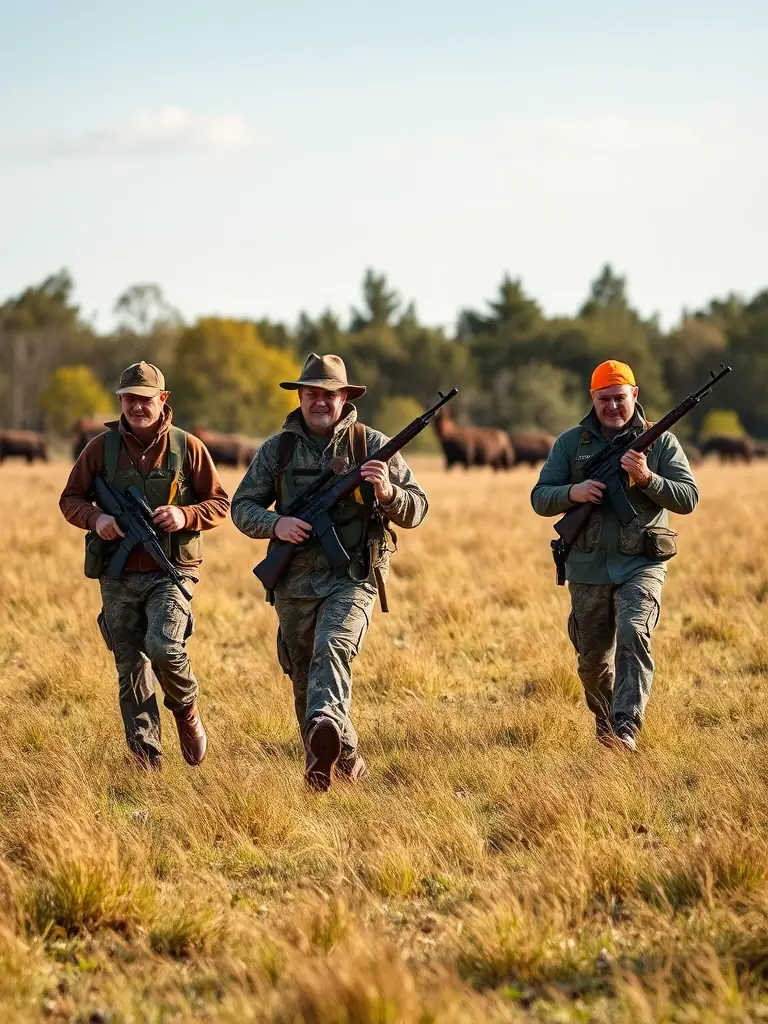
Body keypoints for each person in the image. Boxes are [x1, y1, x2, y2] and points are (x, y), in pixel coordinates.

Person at [231, 353, 428, 790]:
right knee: (303, 675)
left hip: (352, 576)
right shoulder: (276, 450)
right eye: (312, 393)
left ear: (344, 397)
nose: (320, 401)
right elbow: (241, 507)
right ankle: (342, 756)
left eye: (329, 394)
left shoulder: (371, 445)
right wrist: (276, 523)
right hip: (293, 582)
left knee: (332, 650)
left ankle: (324, 725)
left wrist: (388, 491)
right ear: (300, 397)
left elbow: (418, 509)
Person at [60, 361, 230, 769]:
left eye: (146, 399)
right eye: (130, 399)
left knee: (164, 646)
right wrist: (96, 518)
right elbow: (71, 499)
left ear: (163, 400)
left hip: (170, 569)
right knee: (130, 664)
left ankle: (186, 710)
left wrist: (185, 516)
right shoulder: (99, 449)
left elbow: (221, 503)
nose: (138, 406)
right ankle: (146, 758)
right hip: (117, 574)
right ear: (120, 401)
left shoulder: (188, 447)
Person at [531, 360, 699, 751]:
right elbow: (540, 497)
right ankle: (607, 722)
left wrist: (647, 479)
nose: (612, 407)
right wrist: (573, 493)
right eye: (604, 399)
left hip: (641, 562)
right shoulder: (571, 444)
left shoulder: (661, 443)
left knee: (632, 632)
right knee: (591, 664)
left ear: (634, 396)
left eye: (619, 398)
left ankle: (627, 726)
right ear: (593, 398)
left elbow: (688, 498)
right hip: (587, 566)